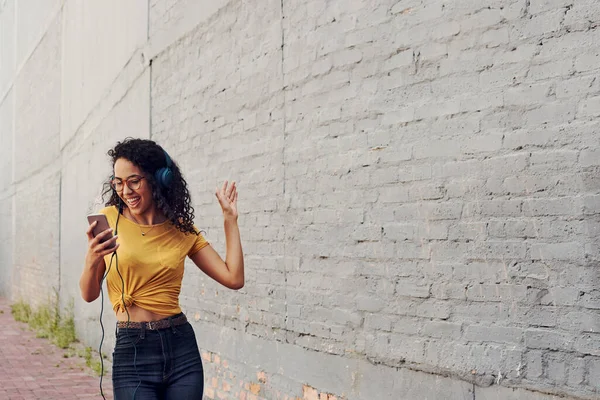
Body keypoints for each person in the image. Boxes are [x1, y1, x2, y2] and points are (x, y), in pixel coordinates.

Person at [79, 138, 244, 399]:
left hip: (181, 350)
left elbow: (233, 277)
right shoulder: (109, 220)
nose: (126, 191)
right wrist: (92, 258)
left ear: (158, 179)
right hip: (132, 351)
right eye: (118, 182)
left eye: (134, 181)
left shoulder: (181, 229)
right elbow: (89, 295)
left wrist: (230, 220)